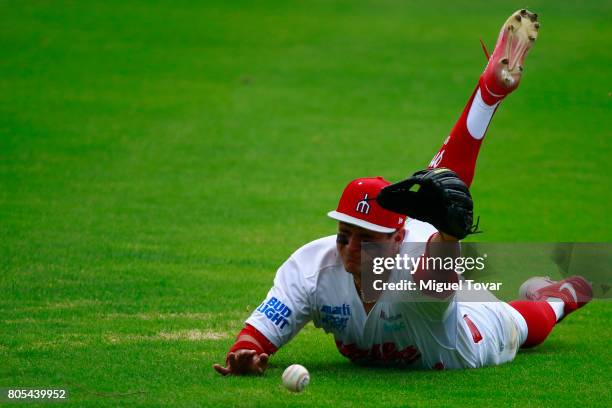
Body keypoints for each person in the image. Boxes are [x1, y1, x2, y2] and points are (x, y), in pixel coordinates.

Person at [213, 9, 592, 375]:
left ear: (399, 238)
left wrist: (487, 97)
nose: (351, 249)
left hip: (472, 342)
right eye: (345, 236)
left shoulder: (419, 262)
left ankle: (560, 297)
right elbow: (257, 335)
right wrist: (245, 353)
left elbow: (446, 205)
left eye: (367, 239)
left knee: (526, 325)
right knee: (435, 188)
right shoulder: (312, 267)